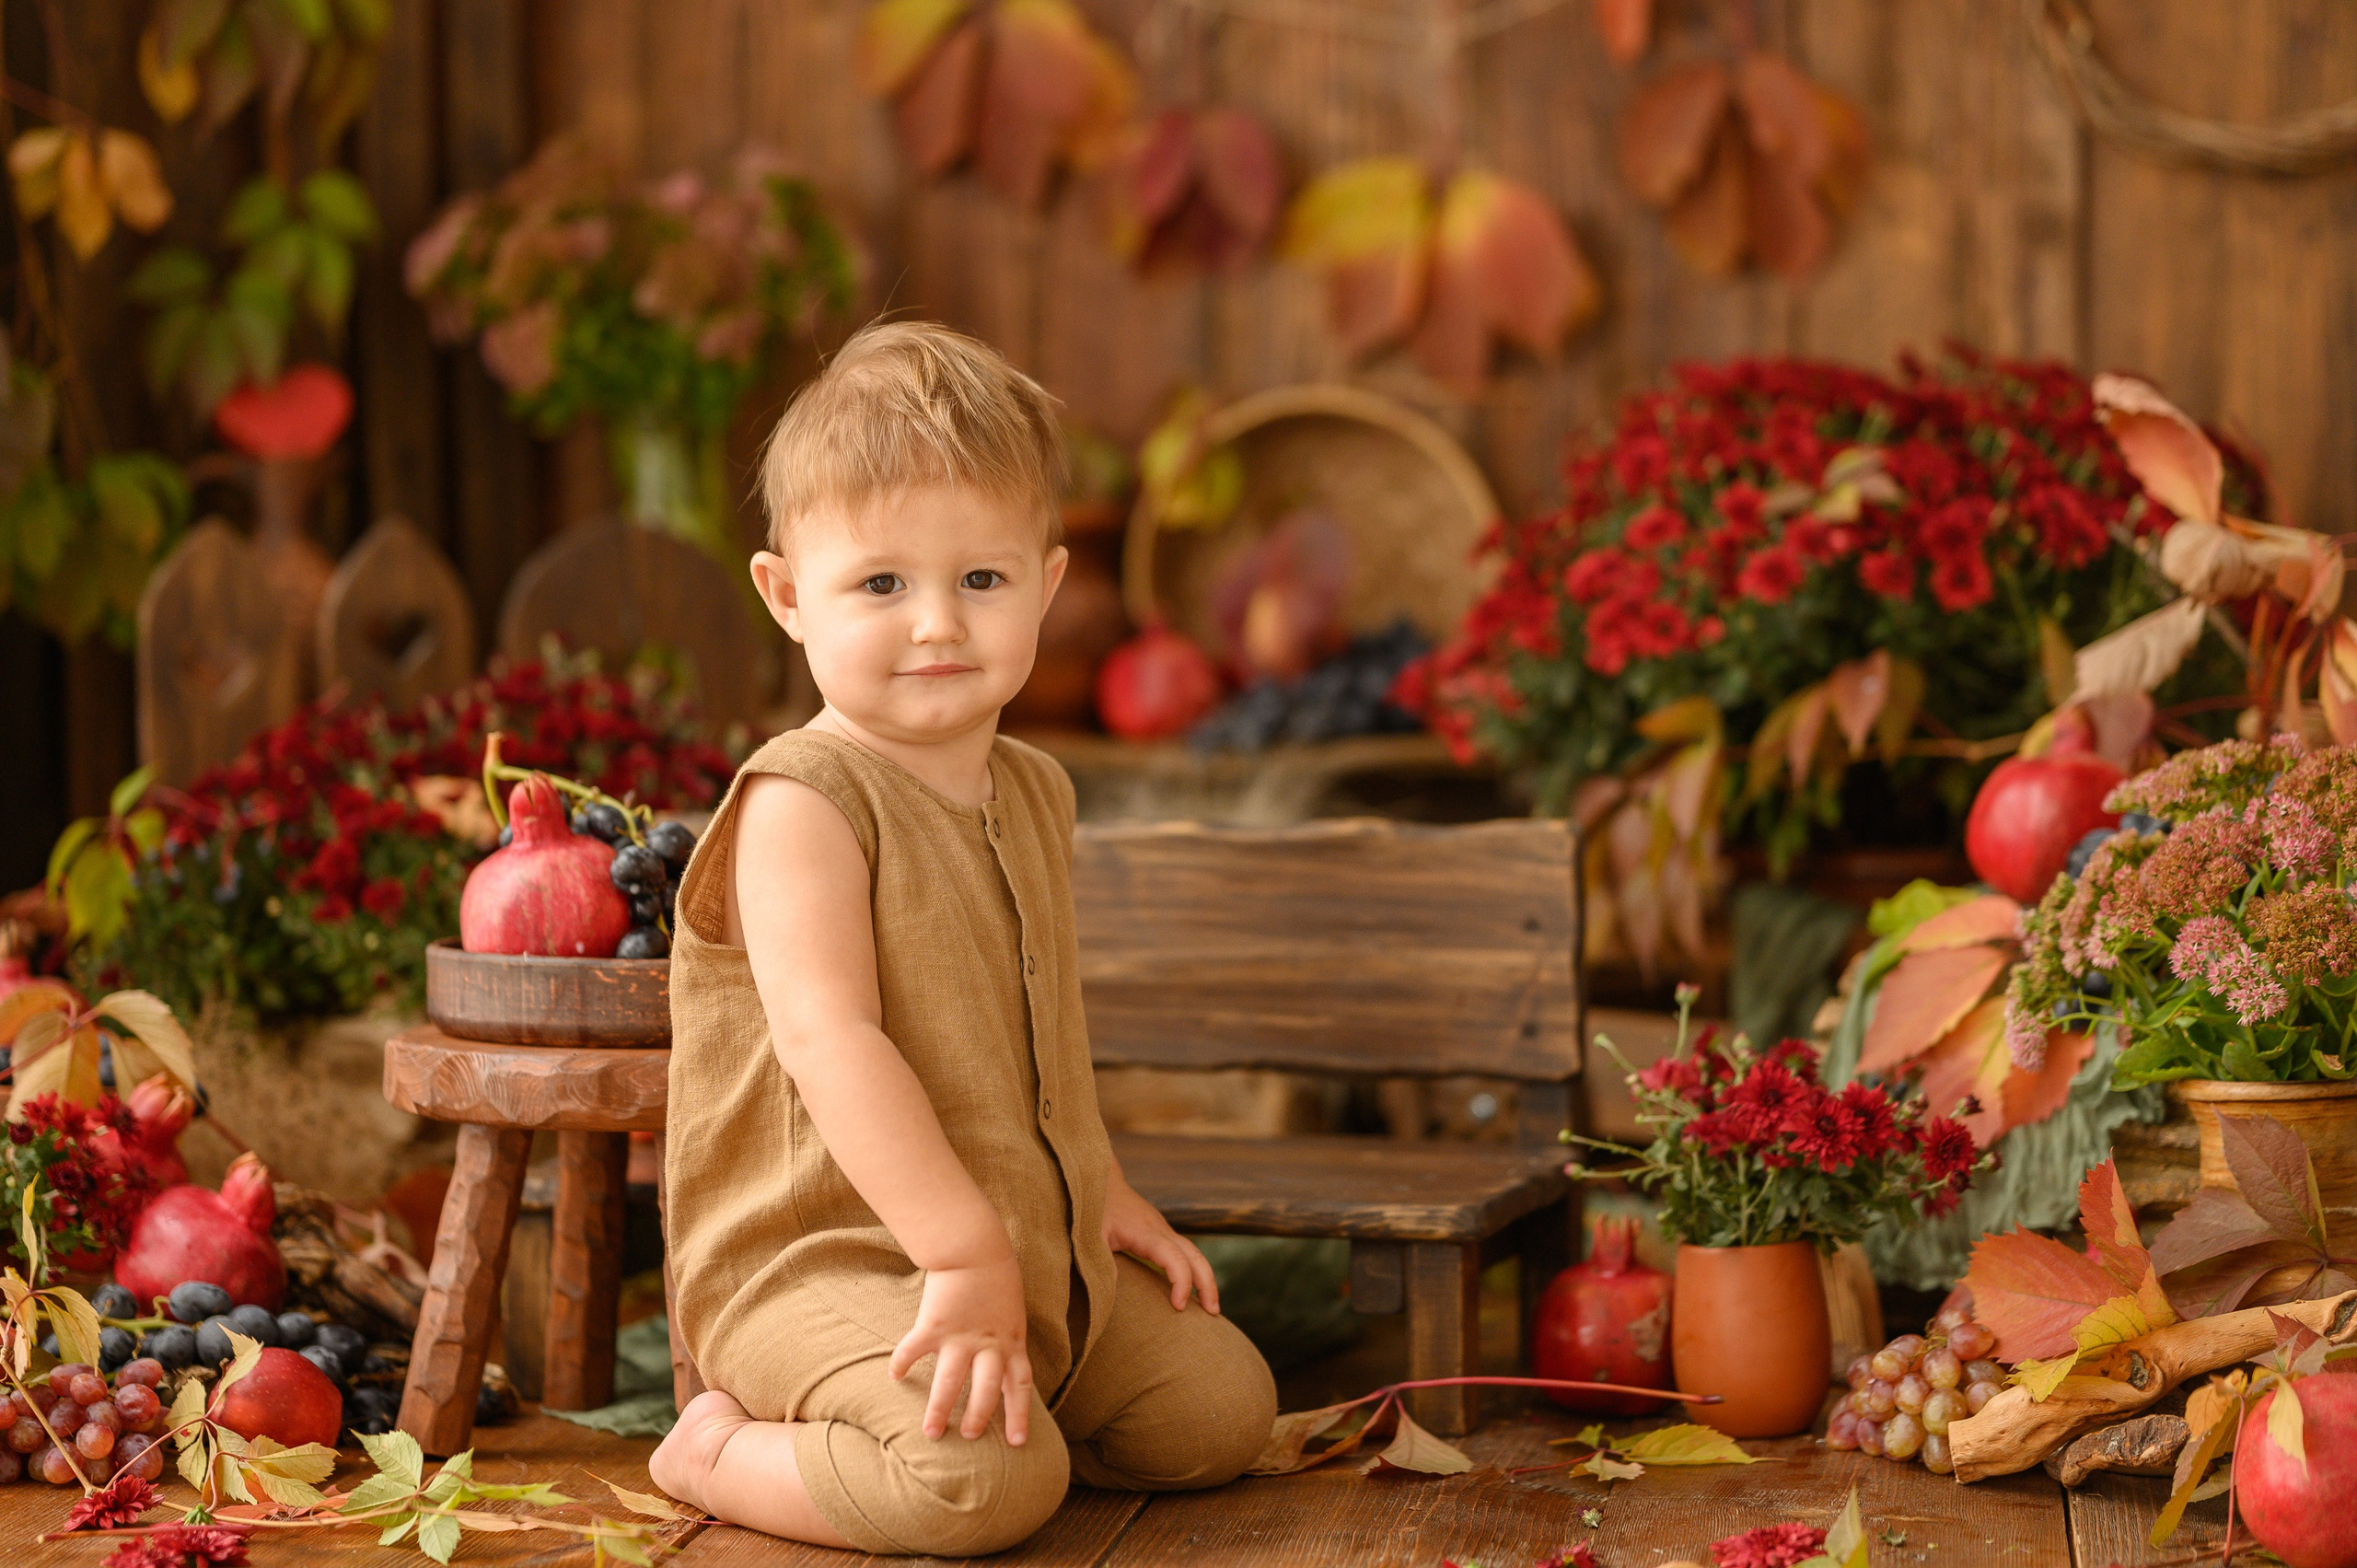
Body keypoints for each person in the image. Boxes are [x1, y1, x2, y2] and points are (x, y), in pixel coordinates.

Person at [648, 320, 1277, 1554]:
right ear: (787, 596)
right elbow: (833, 1043)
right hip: (821, 1262)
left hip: (1015, 1251)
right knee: (975, 1492)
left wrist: (1104, 1195)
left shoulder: (1034, 787)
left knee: (1217, 1411)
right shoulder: (802, 803)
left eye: (979, 582)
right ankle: (723, 1448)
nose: (936, 624)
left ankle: (1016, 1406)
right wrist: (959, 1255)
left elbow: (1032, 1042)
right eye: (881, 585)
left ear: (1044, 585)